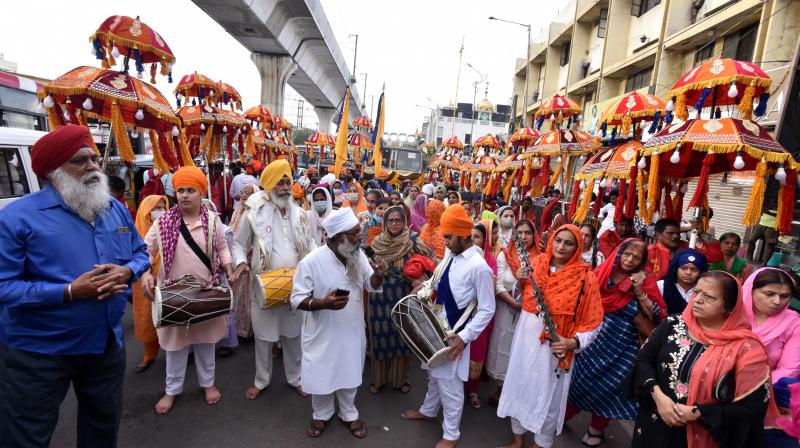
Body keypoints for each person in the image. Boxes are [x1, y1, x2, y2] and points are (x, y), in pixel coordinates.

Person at [0, 125, 150, 447]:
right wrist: (68, 292)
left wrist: (127, 271)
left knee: (102, 431)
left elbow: (141, 253)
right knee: (26, 438)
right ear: (54, 172)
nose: (93, 167)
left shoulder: (115, 210)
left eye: (94, 159)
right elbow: (4, 287)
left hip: (105, 347)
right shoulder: (16, 219)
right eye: (80, 161)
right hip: (39, 352)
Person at [626, 271, 779, 448]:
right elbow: (644, 360)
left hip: (704, 433)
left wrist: (697, 413)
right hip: (654, 422)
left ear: (729, 307)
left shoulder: (747, 349)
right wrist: (658, 397)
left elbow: (752, 409)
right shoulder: (673, 324)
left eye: (709, 297)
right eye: (697, 292)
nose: (697, 300)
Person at [496, 224, 604, 448]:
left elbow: (594, 321)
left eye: (569, 243)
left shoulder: (585, 277)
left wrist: (572, 343)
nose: (561, 246)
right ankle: (518, 440)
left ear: (578, 247)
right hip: (525, 341)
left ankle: (540, 444)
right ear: (551, 239)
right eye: (558, 240)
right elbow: (522, 298)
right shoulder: (535, 264)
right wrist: (519, 279)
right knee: (519, 385)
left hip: (554, 348)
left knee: (548, 397)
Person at [141, 166, 234, 415]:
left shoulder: (214, 221)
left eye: (190, 190)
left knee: (206, 344)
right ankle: (172, 390)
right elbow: (144, 251)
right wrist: (145, 273)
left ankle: (208, 384)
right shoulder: (162, 223)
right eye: (180, 190)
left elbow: (223, 248)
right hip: (174, 295)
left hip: (205, 292)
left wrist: (228, 267)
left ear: (201, 193)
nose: (184, 195)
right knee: (175, 348)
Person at [400, 204, 495, 448]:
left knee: (451, 388)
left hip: (455, 335)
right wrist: (425, 286)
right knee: (434, 376)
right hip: (436, 329)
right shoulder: (451, 257)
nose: (445, 241)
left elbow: (487, 309)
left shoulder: (479, 267)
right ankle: (428, 410)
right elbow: (438, 281)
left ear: (463, 235)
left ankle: (451, 434)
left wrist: (465, 337)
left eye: (448, 237)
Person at [290, 208, 388, 439]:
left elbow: (370, 285)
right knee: (322, 372)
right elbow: (296, 299)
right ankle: (321, 414)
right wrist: (322, 303)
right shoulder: (311, 262)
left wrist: (379, 274)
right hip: (322, 331)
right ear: (337, 237)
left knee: (350, 370)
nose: (360, 237)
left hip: (352, 328)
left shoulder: (358, 256)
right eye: (355, 234)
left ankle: (349, 413)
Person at [230, 159, 316, 401]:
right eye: (280, 182)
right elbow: (238, 244)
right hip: (264, 286)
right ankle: (261, 380)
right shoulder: (254, 213)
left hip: (295, 286)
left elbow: (310, 245)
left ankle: (296, 378)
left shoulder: (300, 213)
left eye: (288, 182)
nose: (286, 187)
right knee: (264, 338)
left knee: (293, 336)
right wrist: (241, 262)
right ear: (268, 185)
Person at [567, 238, 666, 446]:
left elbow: (657, 314)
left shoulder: (644, 279)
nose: (630, 260)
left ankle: (597, 428)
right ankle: (564, 414)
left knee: (611, 386)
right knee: (580, 379)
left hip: (624, 345)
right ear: (618, 253)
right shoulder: (603, 272)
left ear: (642, 260)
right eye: (626, 254)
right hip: (594, 338)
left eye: (636, 257)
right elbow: (582, 298)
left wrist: (639, 291)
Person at [368, 206, 432, 394]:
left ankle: (400, 380)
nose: (394, 224)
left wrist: (421, 281)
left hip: (404, 297)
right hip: (378, 300)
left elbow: (431, 261)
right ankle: (378, 381)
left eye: (398, 220)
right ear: (385, 223)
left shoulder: (412, 240)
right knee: (379, 339)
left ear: (404, 221)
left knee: (402, 338)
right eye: (390, 220)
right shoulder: (376, 243)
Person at [487, 219, 539, 406]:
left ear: (534, 235)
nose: (524, 237)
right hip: (506, 309)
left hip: (530, 314)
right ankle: (502, 389)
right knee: (505, 348)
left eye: (528, 233)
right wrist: (514, 303)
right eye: (520, 233)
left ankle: (518, 392)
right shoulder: (505, 255)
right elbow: (498, 284)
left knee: (524, 351)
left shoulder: (541, 258)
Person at [743, 268, 800, 382]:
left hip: (762, 388)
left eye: (784, 296)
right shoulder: (730, 312)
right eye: (769, 294)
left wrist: (752, 387)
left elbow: (789, 369)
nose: (777, 301)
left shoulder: (794, 324)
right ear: (751, 290)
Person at [132, 194, 169, 373]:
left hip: (167, 280)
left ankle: (177, 354)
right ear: (147, 210)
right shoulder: (136, 233)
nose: (161, 212)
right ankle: (149, 354)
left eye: (164, 207)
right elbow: (136, 256)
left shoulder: (170, 227)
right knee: (148, 316)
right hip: (144, 280)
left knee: (170, 317)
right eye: (157, 208)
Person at [466, 219, 499, 409]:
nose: (472, 240)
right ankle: (454, 387)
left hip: (481, 315)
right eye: (469, 237)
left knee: (476, 353)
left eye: (477, 237)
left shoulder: (491, 261)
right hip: (461, 315)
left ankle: (472, 390)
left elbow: (489, 290)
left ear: (485, 240)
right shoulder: (460, 257)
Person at [229, 182, 258, 339]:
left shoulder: (255, 212)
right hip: (239, 259)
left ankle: (252, 329)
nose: (245, 195)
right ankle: (241, 328)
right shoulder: (238, 210)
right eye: (243, 192)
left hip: (251, 260)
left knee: (251, 298)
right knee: (239, 296)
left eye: (249, 192)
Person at [657, 248, 708, 315]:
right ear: (676, 269)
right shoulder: (662, 286)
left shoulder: (704, 291)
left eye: (694, 269)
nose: (688, 272)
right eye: (684, 268)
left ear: (700, 272)